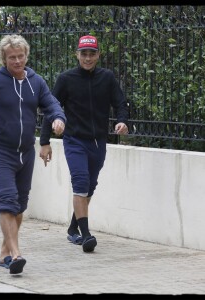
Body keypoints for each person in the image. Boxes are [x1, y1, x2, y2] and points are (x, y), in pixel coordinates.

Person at [0, 34, 66, 274]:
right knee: (7, 201)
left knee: (19, 205)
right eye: (12, 58)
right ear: (4, 59)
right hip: (1, 151)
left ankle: (4, 254)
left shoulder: (36, 81)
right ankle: (16, 254)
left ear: (26, 56)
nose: (17, 61)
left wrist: (58, 118)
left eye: (21, 56)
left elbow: (51, 104)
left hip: (26, 152)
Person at [39, 35, 129, 253]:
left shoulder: (107, 78)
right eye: (84, 54)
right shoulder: (66, 79)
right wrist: (44, 142)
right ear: (77, 55)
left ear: (98, 55)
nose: (88, 58)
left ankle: (73, 228)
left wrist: (122, 121)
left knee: (90, 187)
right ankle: (86, 235)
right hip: (74, 140)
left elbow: (120, 103)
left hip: (98, 143)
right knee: (80, 182)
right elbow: (51, 109)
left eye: (92, 53)